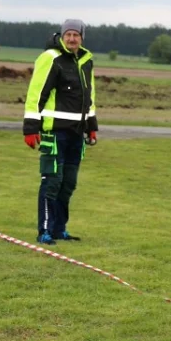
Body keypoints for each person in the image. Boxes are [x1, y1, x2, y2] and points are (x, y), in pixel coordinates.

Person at [23, 19, 98, 245]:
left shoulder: (86, 60)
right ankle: (44, 231)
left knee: (68, 183)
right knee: (52, 181)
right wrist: (30, 127)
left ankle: (59, 229)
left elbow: (89, 95)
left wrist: (92, 126)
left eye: (76, 35)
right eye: (68, 34)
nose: (72, 39)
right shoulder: (50, 58)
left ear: (82, 38)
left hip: (77, 134)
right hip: (55, 132)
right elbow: (36, 94)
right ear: (62, 36)